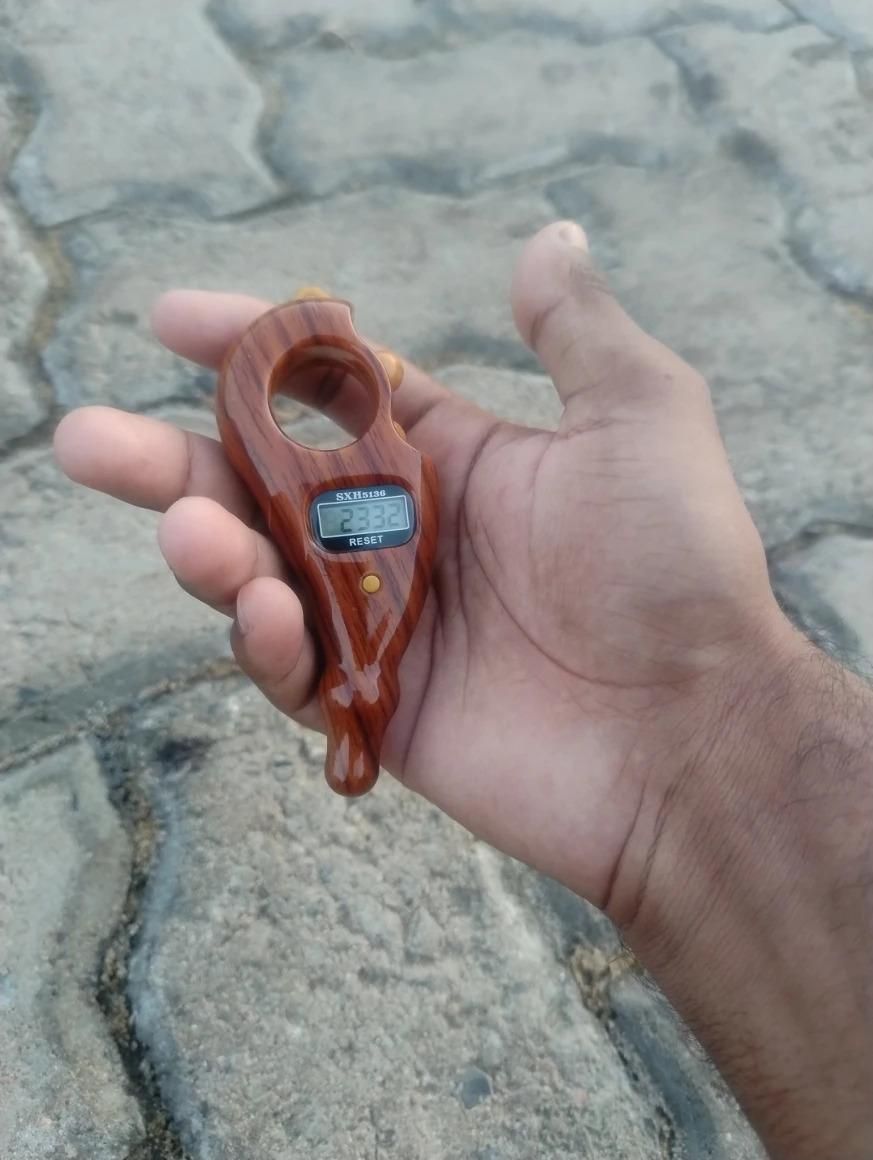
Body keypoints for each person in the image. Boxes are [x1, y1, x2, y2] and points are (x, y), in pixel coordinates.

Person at [53, 222, 873, 1159]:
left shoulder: (395, 481)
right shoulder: (382, 482)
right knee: (315, 628)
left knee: (336, 647)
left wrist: (713, 701)